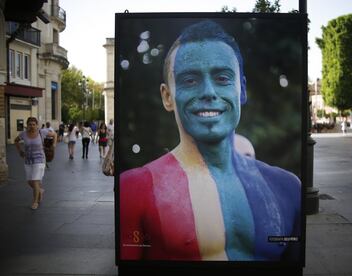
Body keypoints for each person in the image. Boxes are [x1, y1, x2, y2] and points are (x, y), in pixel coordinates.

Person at [120, 20, 301, 261]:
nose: (208, 92)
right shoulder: (134, 191)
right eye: (190, 80)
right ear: (167, 97)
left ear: (242, 90)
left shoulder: (287, 188)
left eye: (223, 78)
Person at [14, 117, 48, 210]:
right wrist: (20, 151)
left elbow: (54, 135)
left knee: (35, 181)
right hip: (28, 160)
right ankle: (40, 191)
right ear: (27, 125)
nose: (32, 126)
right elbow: (16, 141)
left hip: (39, 160)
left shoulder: (41, 132)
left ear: (37, 125)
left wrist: (53, 145)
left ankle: (35, 202)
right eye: (30, 124)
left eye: (34, 124)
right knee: (29, 181)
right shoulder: (23, 134)